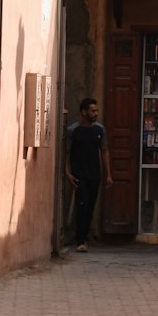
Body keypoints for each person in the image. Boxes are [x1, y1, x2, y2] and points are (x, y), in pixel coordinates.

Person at [65, 97, 112, 252]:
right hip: (79, 174)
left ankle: (85, 235)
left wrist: (108, 174)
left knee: (90, 206)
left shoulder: (100, 130)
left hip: (94, 174)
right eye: (93, 111)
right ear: (84, 112)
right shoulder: (73, 130)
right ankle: (80, 240)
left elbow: (104, 151)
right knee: (81, 205)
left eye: (96, 111)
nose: (96, 113)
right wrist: (67, 172)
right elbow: (66, 151)